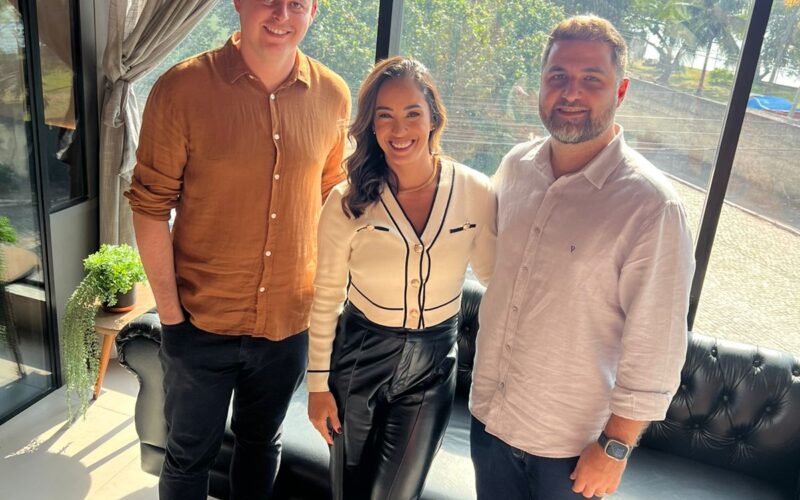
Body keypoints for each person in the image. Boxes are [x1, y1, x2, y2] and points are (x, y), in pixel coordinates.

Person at [124, 1, 350, 498]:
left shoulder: (332, 95)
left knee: (261, 443)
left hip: (288, 325)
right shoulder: (182, 89)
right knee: (188, 456)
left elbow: (332, 202)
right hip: (200, 321)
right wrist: (171, 318)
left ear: (314, 10)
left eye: (297, 3)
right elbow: (149, 207)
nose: (282, 13)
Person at [470, 15, 695, 500]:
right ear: (541, 83)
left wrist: (615, 446)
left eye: (591, 78)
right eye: (558, 76)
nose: (570, 92)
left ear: (621, 90)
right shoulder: (515, 167)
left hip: (572, 452)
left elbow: (657, 343)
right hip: (489, 422)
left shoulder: (652, 206)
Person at [305, 56, 496, 500]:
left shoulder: (475, 191)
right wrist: (317, 386)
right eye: (384, 116)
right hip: (359, 358)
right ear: (371, 125)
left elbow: (495, 276)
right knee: (348, 492)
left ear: (433, 118)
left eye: (412, 113)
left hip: (434, 364)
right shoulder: (346, 200)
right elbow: (327, 297)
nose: (399, 129)